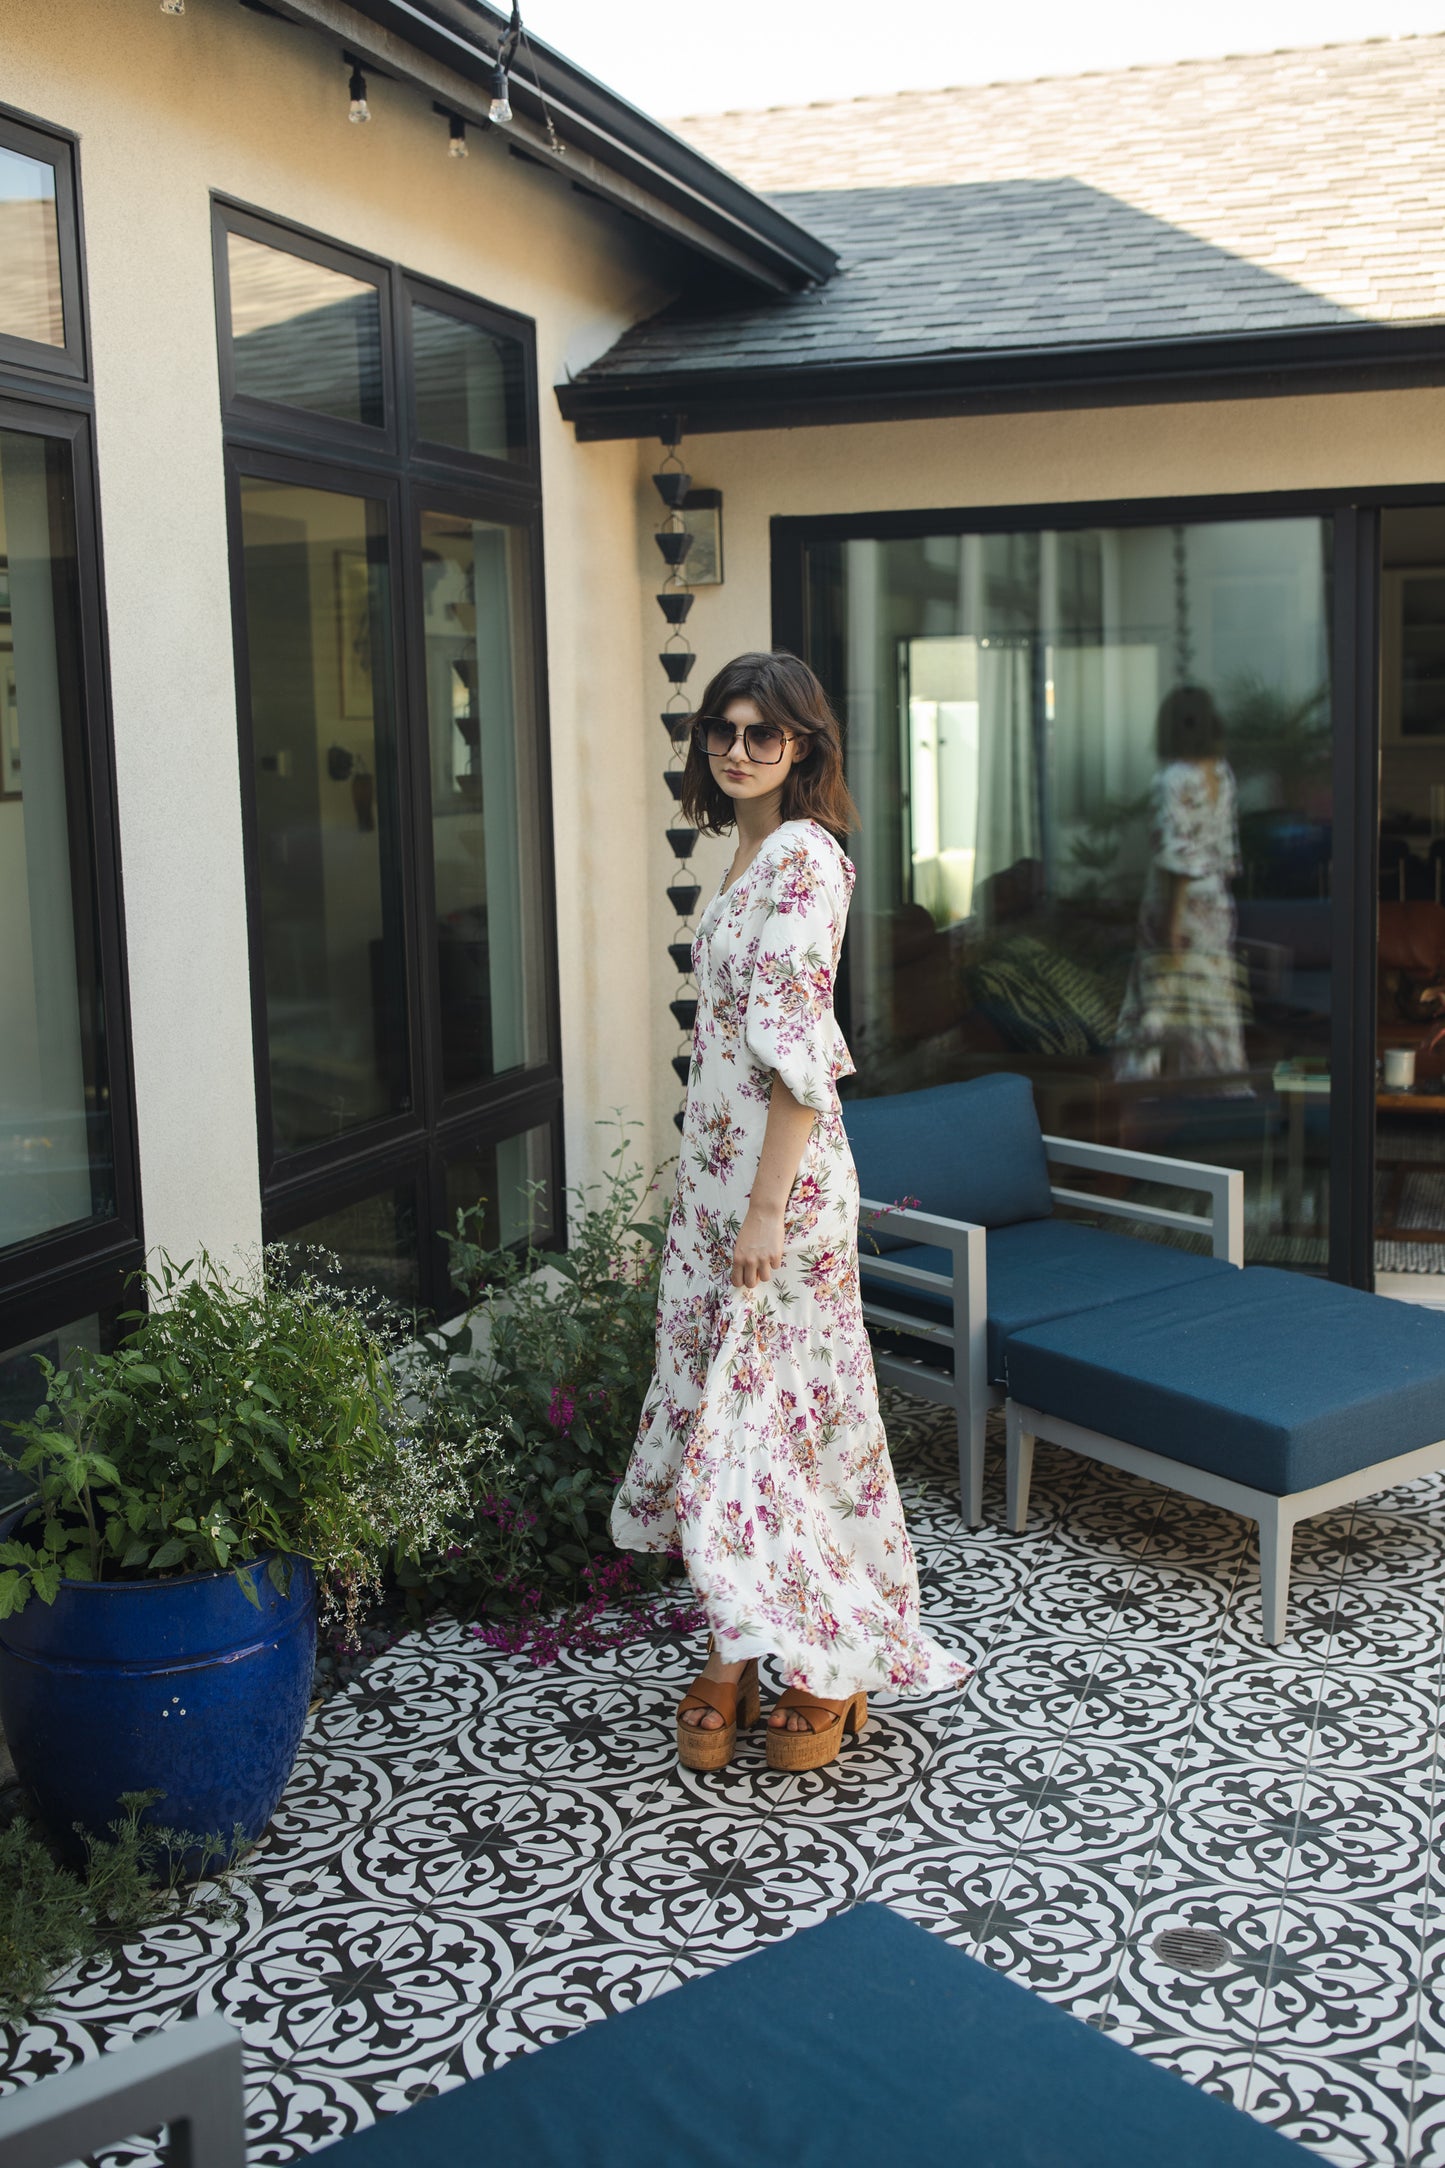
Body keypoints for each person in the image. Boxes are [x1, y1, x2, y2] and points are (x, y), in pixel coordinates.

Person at [610, 651, 970, 1775]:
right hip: (716, 1189)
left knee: (787, 1428)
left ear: (804, 747)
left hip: (782, 1196)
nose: (735, 749)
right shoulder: (739, 851)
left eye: (762, 734)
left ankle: (824, 1663)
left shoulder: (808, 858)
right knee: (730, 1429)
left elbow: (798, 1057)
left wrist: (763, 1210)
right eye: (721, 729)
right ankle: (739, 1640)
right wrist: (705, 1197)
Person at [1113, 683, 1249, 1084]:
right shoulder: (1220, 773)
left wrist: (1171, 922)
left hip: (1179, 908)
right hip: (1216, 908)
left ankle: (1131, 1095)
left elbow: (1177, 857)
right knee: (1214, 1007)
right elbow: (1222, 850)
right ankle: (1227, 1094)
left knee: (1150, 1008)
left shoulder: (1172, 778)